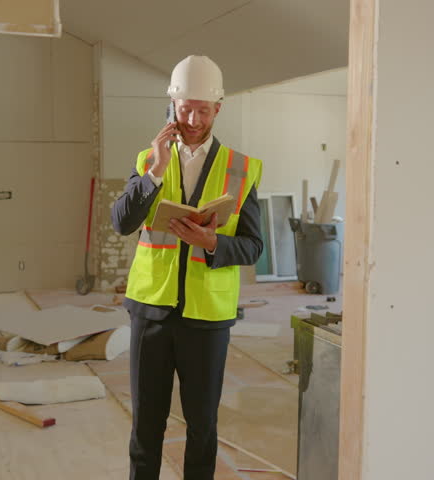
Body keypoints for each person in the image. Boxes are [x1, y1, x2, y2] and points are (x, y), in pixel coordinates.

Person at [111, 55, 264, 480]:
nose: (193, 119)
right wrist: (156, 172)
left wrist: (213, 242)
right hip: (150, 311)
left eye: (202, 109)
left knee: (202, 427)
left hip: (207, 318)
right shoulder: (148, 160)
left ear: (218, 109)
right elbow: (122, 222)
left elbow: (253, 247)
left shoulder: (242, 168)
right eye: (185, 109)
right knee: (146, 425)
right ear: (172, 107)